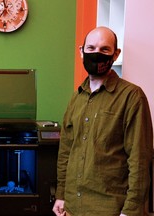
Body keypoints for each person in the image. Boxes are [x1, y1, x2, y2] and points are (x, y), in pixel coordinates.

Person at [52, 26, 153, 216]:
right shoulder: (77, 97)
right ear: (81, 51)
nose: (96, 54)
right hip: (73, 207)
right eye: (90, 48)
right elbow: (66, 151)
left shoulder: (132, 97)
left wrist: (130, 211)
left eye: (104, 50)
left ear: (115, 54)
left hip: (110, 210)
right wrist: (61, 195)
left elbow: (140, 159)